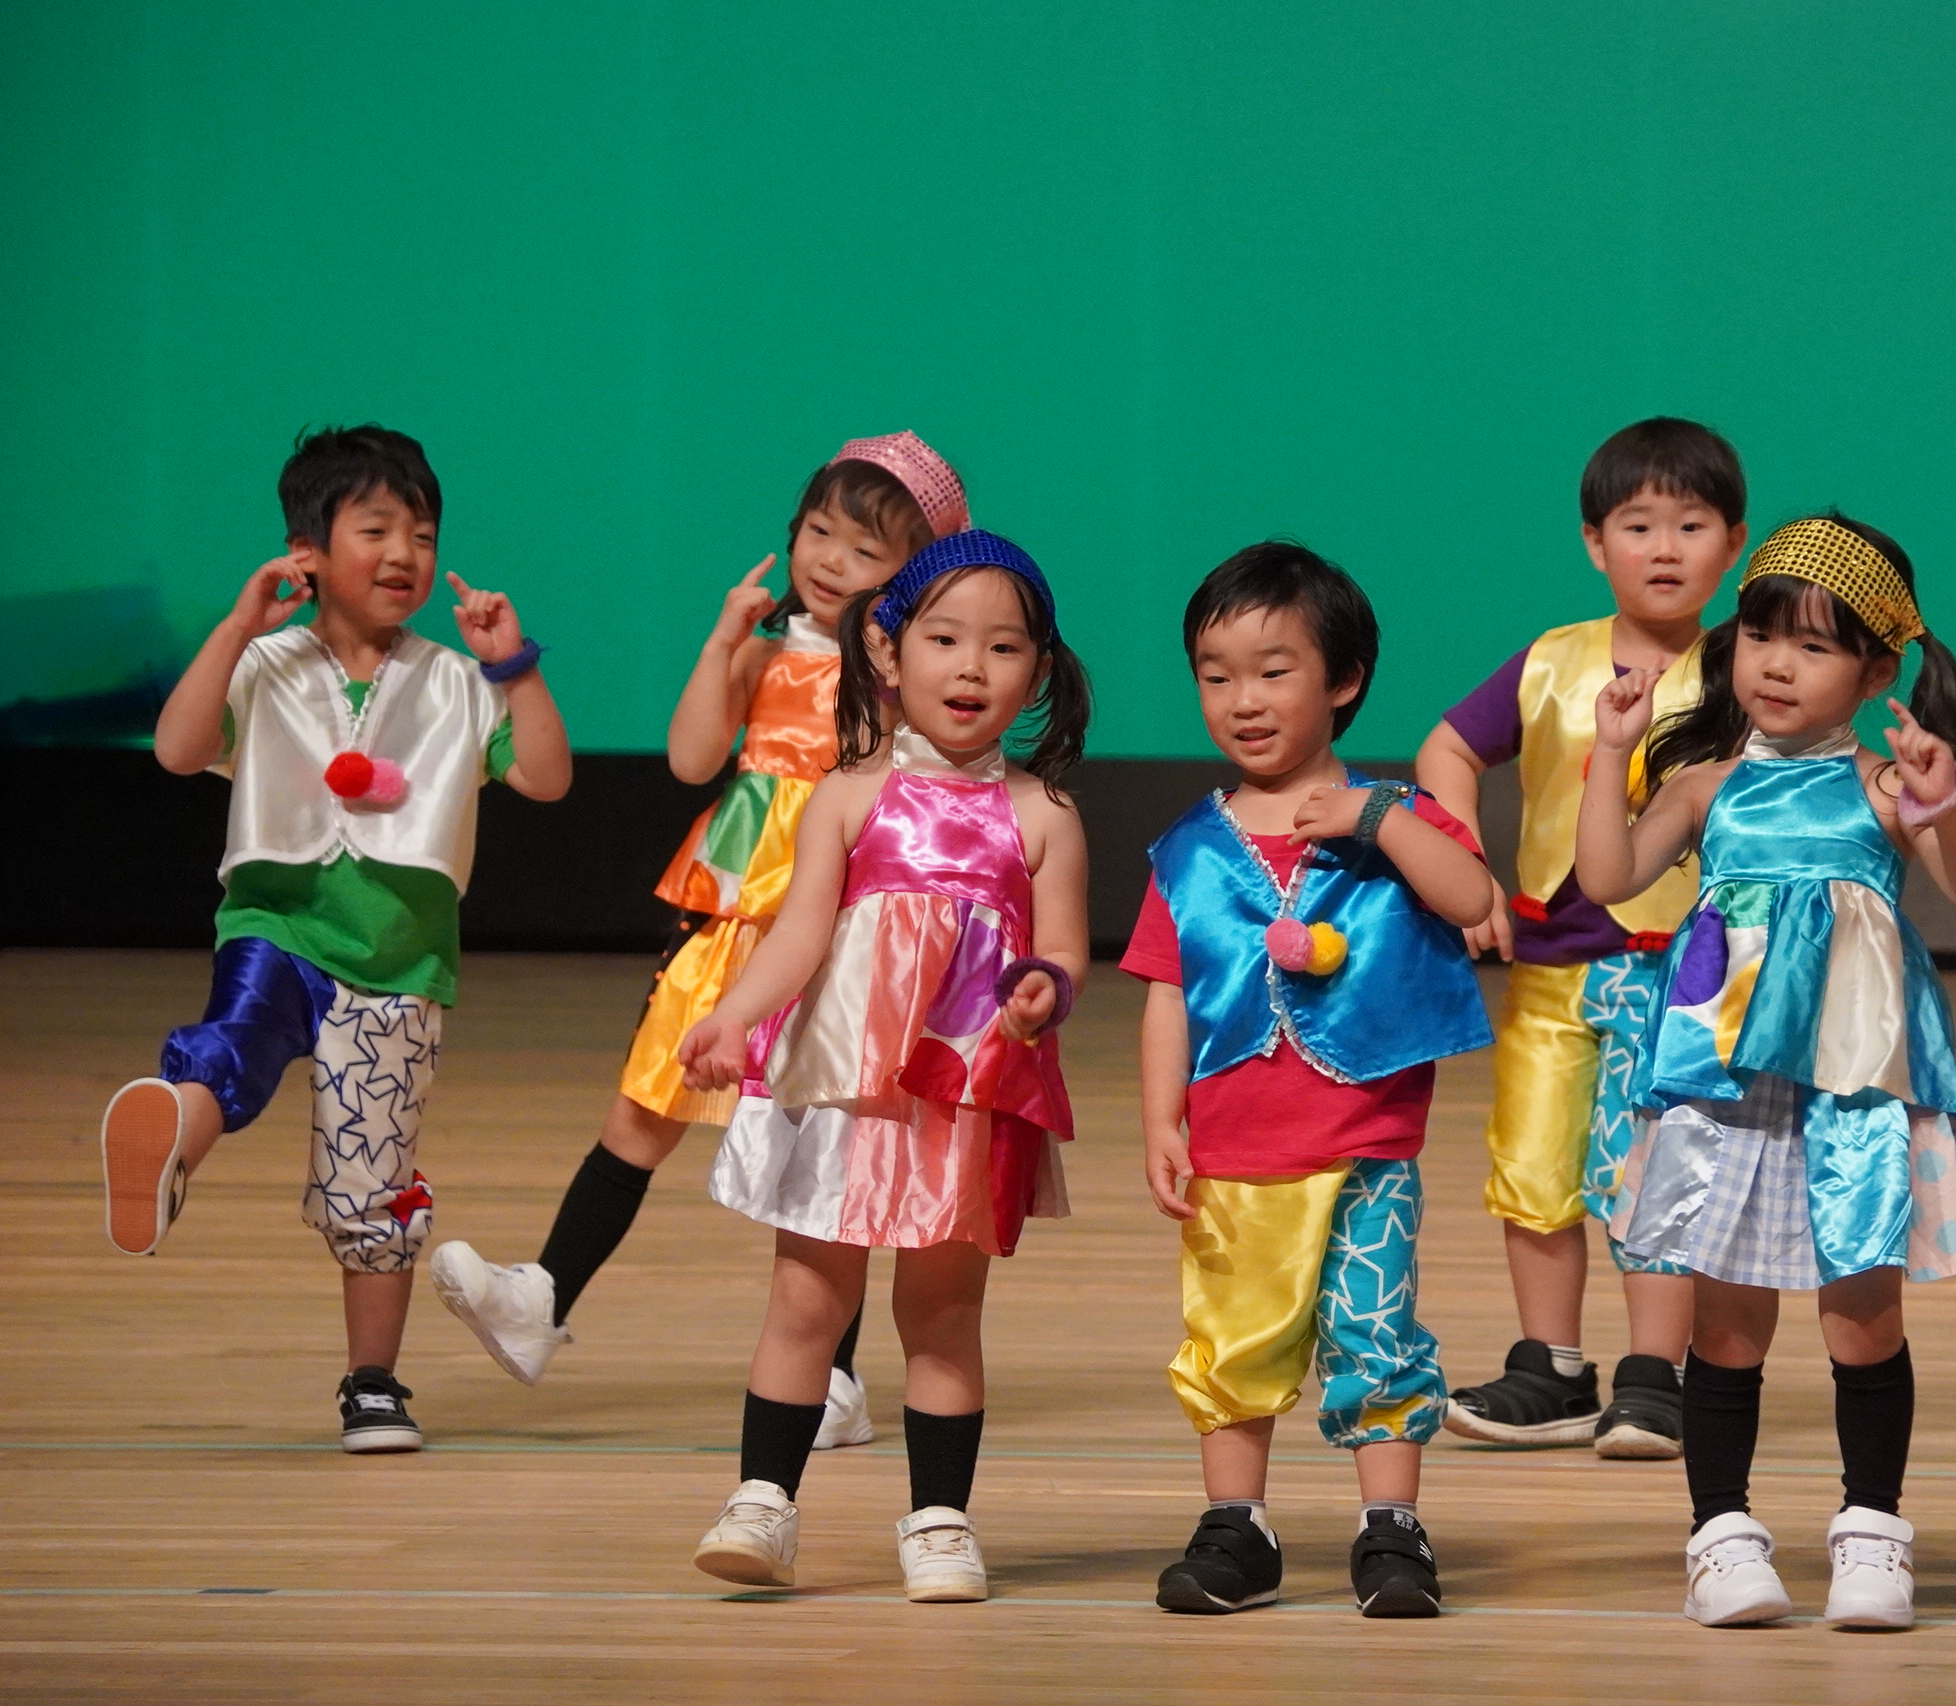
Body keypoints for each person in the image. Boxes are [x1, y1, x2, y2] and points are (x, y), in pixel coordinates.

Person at [428, 433, 965, 1455]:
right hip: (724, 914)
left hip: (834, 927)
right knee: (644, 1104)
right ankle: (542, 1298)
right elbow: (690, 758)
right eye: (819, 532)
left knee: (828, 1150)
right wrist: (723, 642)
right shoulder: (761, 651)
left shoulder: (899, 676)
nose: (831, 560)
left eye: (866, 550)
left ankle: (836, 1376)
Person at [95, 424, 572, 1455]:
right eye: (376, 529)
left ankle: (372, 1383)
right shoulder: (264, 663)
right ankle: (167, 1141)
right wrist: (236, 626)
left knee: (372, 1182)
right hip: (277, 925)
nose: (405, 553)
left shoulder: (455, 680)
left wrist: (514, 666)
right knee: (234, 1041)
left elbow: (544, 776)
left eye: (423, 535)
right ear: (306, 551)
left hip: (399, 964)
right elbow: (178, 748)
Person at [1578, 513, 1956, 1631]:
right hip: (1729, 1080)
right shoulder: (1707, 785)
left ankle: (1872, 1531)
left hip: (1852, 1076)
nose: (1776, 663)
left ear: (1877, 671)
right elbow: (1607, 876)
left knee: (1862, 1313)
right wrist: (1612, 751)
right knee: (1726, 1323)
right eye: (1761, 635)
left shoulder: (1884, 785)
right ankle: (1720, 1536)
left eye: (1813, 646)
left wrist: (1942, 803)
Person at [675, 530, 1090, 1604]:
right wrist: (731, 1017)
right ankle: (762, 1500)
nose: (970, 666)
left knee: (942, 1314)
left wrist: (1045, 986)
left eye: (1003, 646)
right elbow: (799, 934)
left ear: (1038, 671)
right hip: (843, 1083)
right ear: (886, 650)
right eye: (944, 638)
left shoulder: (1042, 814)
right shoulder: (848, 794)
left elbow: (1064, 946)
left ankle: (941, 1519)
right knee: (804, 1299)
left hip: (964, 1090)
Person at [1133, 542, 1499, 1620]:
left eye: (1272, 669)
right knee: (1232, 1336)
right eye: (1216, 675)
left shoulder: (1394, 817)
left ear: (1342, 679)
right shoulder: (1187, 849)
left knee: (1375, 1332)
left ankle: (1390, 1526)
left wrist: (1376, 819)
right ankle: (1235, 1525)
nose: (1242, 699)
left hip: (1367, 1144)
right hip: (1234, 1148)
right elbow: (1166, 992)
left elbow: (1470, 894)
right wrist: (1160, 1119)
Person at [1418, 418, 1747, 1456]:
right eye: (1637, 525)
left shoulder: (1749, 669)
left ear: (1733, 543)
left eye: (1690, 524)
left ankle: (1656, 1375)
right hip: (1551, 966)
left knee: (1658, 1168)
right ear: (1594, 543)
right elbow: (1445, 749)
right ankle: (1550, 1368)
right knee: (1533, 1160)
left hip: (1687, 972)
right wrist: (1467, 867)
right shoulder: (1549, 661)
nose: (1664, 547)